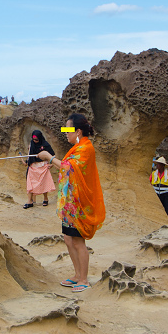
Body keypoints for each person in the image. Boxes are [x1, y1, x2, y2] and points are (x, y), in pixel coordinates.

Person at [37, 113, 105, 293]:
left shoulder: (86, 148)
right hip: (70, 202)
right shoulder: (76, 148)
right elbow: (68, 166)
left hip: (79, 202)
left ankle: (84, 278)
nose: (66, 133)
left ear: (78, 131)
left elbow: (70, 167)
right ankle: (77, 275)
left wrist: (49, 157)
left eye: (68, 129)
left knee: (78, 241)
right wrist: (55, 163)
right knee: (68, 239)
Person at [23, 130, 55, 208]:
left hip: (42, 166)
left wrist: (52, 164)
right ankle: (30, 201)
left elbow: (52, 155)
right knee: (30, 183)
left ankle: (45, 199)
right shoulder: (32, 144)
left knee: (44, 183)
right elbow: (30, 154)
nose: (35, 141)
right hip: (33, 167)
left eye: (36, 140)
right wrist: (27, 162)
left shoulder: (45, 144)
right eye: (34, 139)